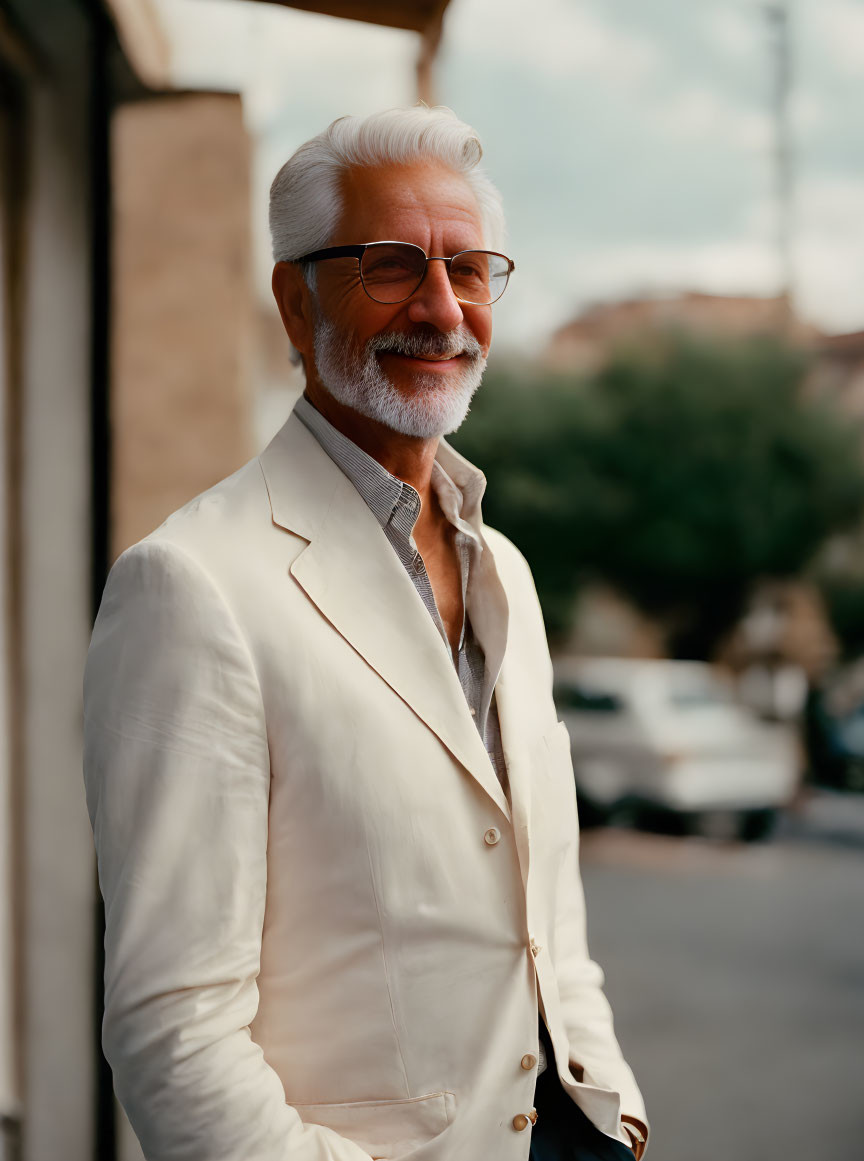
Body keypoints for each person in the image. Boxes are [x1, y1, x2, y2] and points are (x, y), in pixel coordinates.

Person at [84, 106, 649, 1161]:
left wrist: (614, 1111)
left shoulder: (506, 571)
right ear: (296, 304)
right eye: (391, 267)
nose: (442, 310)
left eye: (470, 269)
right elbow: (172, 1033)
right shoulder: (191, 587)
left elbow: (549, 927)